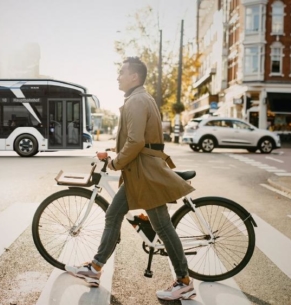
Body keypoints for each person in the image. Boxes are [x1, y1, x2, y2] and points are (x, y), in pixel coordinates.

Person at [65, 57, 196, 301]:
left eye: (121, 73)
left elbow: (136, 142)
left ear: (134, 77)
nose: (118, 77)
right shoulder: (139, 98)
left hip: (145, 174)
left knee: (163, 227)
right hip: (140, 172)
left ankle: (184, 281)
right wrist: (114, 153)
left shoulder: (137, 100)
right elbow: (140, 141)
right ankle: (95, 268)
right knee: (113, 215)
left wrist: (115, 163)